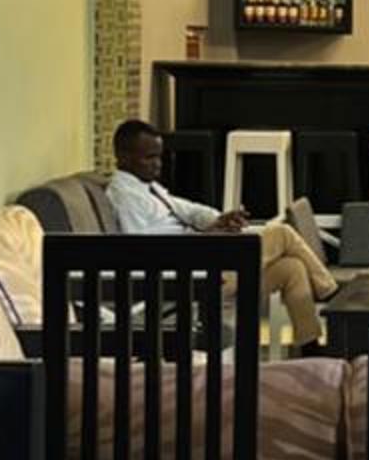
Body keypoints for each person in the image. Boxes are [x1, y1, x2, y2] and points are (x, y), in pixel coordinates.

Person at [105, 118, 341, 349]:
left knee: (292, 269)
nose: (158, 164)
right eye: (149, 157)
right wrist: (203, 240)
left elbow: (190, 210)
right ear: (123, 156)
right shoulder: (124, 196)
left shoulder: (148, 187)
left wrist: (218, 220)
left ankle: (310, 345)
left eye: (159, 156)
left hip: (205, 260)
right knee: (282, 233)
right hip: (192, 274)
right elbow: (145, 247)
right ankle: (330, 292)